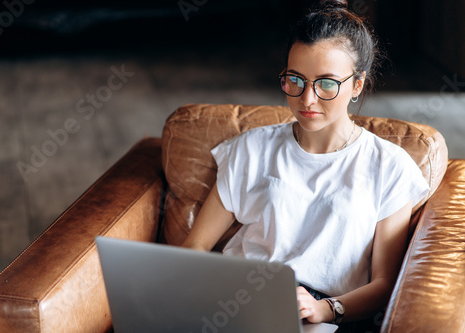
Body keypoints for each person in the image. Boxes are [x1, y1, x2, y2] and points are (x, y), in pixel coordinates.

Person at [181, 0, 429, 329]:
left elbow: (384, 284)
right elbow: (197, 245)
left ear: (356, 84)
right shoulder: (252, 149)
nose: (307, 99)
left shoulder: (389, 166)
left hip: (323, 314)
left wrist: (326, 309)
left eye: (326, 83)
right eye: (295, 80)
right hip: (238, 302)